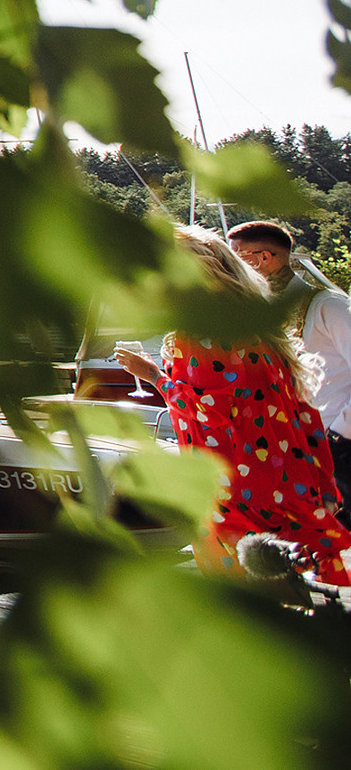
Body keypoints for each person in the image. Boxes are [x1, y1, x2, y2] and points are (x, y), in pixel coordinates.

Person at [114, 226, 351, 583]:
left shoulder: (202, 334)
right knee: (282, 581)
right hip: (277, 477)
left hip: (230, 484)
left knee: (245, 586)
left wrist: (152, 375)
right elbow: (301, 408)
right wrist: (321, 485)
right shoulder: (257, 327)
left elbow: (208, 410)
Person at [229, 220, 351, 486]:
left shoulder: (329, 306)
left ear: (263, 258)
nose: (231, 267)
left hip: (336, 448)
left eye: (236, 256)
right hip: (293, 447)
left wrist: (340, 434)